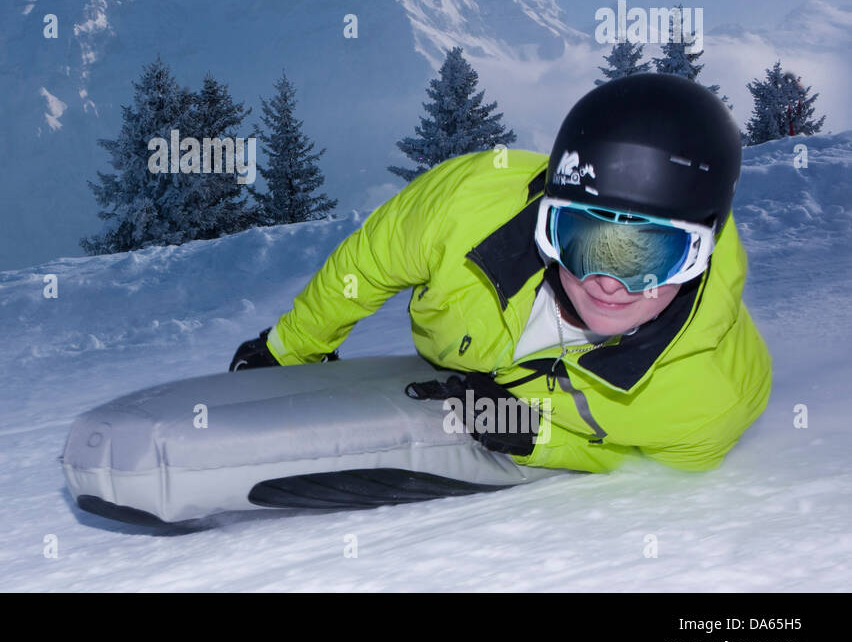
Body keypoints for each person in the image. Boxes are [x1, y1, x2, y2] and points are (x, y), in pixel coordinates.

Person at [229, 72, 771, 474]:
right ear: (546, 222)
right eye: (582, 239)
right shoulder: (464, 206)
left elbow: (629, 455)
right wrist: (290, 348)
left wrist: (536, 436)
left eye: (651, 256)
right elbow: (366, 265)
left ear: (700, 254)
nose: (609, 282)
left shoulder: (708, 406)